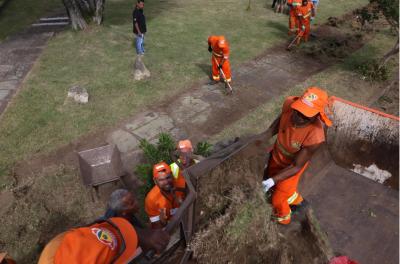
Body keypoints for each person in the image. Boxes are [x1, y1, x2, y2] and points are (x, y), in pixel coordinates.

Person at [262, 87, 332, 225]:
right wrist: (260, 139)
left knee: (277, 199)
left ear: (317, 115)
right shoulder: (289, 105)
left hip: (292, 166)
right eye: (298, 111)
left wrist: (271, 181)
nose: (298, 118)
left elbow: (296, 166)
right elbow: (275, 126)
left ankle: (283, 219)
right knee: (275, 180)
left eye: (305, 116)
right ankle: (295, 199)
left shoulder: (315, 136)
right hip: (277, 155)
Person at [38, 191, 170, 263]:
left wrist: (141, 234)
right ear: (123, 212)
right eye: (131, 203)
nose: (137, 202)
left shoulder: (57, 248)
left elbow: (107, 237)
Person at [145, 162, 183, 229]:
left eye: (168, 177)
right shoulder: (151, 199)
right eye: (161, 180)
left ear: (172, 175)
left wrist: (183, 203)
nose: (166, 182)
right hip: (170, 229)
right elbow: (156, 227)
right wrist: (162, 220)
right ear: (155, 181)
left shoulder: (181, 184)